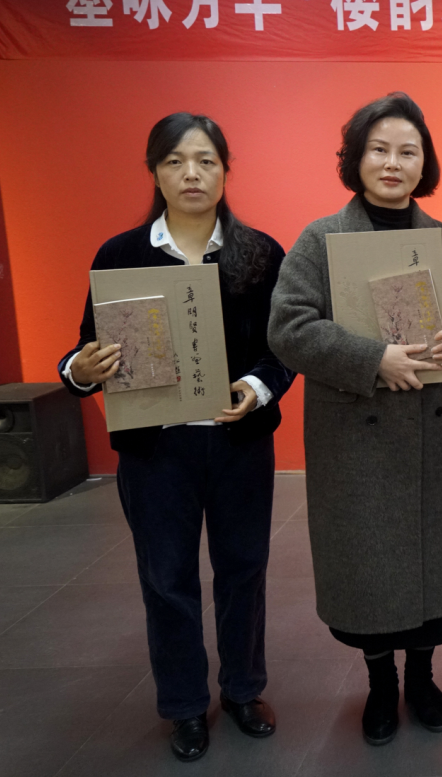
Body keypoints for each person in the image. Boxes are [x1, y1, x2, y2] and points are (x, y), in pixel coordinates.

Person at [58, 113, 293, 762]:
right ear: (154, 172)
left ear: (225, 170)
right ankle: (185, 704)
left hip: (239, 443)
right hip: (155, 450)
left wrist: (256, 388)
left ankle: (243, 689)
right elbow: (84, 350)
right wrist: (80, 370)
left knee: (244, 569)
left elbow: (284, 348)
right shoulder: (120, 255)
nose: (192, 174)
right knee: (166, 578)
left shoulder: (259, 253)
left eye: (206, 161)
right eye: (175, 161)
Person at [267, 92, 442, 746]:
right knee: (369, 569)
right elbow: (288, 328)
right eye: (379, 149)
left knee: (431, 564)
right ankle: (380, 681)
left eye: (407, 152)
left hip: (429, 430)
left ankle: (423, 675)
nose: (393, 163)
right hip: (354, 435)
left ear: (425, 163)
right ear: (355, 159)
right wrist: (370, 358)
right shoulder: (319, 239)